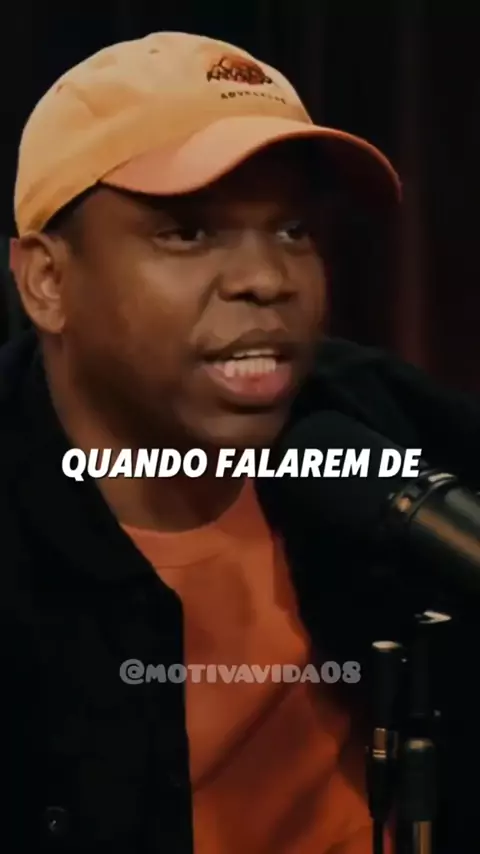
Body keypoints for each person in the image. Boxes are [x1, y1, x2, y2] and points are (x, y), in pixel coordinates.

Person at [2, 31, 480, 854]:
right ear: (48, 281)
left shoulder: (383, 418)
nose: (268, 279)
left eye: (292, 229)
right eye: (188, 233)